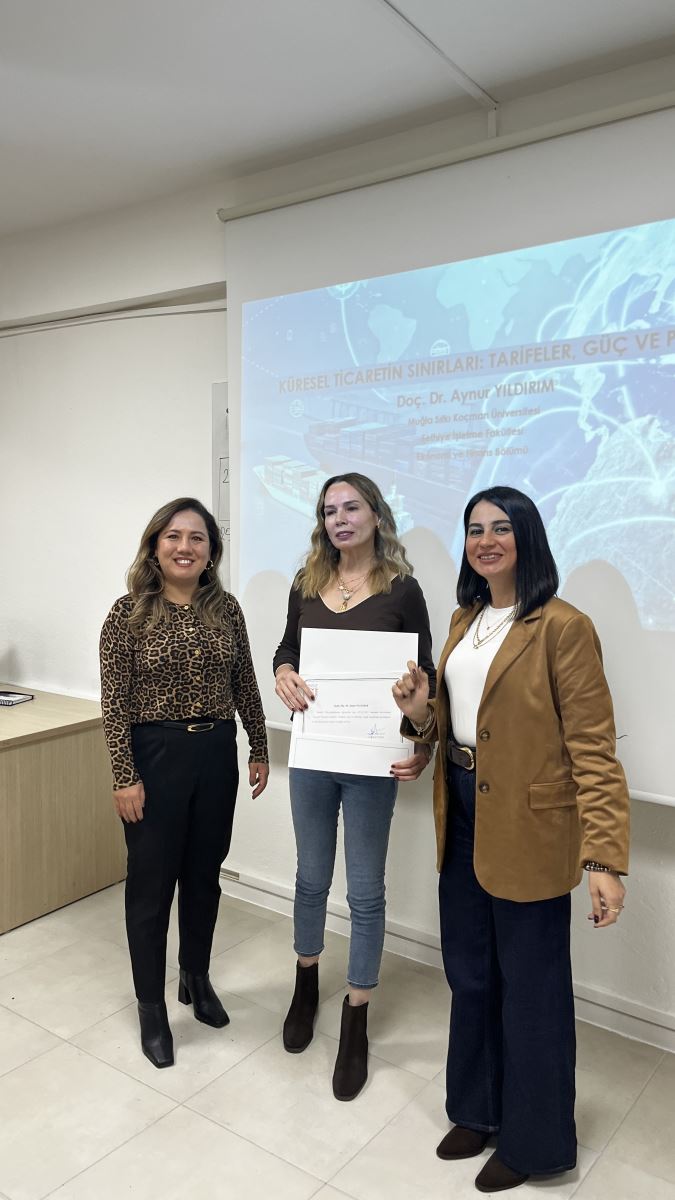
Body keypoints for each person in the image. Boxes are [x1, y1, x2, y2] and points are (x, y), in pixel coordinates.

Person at [393, 485, 629, 1193]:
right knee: (470, 974)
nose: (486, 540)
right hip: (462, 809)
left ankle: (536, 1143)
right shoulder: (464, 619)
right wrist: (419, 715)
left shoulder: (563, 626)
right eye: (475, 529)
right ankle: (478, 1110)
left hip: (532, 825)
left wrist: (603, 857)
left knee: (532, 989)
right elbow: (458, 725)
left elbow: (593, 748)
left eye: (501, 527)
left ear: (527, 537)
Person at [274, 472, 435, 1101]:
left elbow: (423, 675)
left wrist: (420, 738)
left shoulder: (403, 589)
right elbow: (287, 648)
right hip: (314, 754)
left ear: (376, 515)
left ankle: (357, 1014)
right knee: (310, 877)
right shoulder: (306, 582)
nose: (339, 519)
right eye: (329, 510)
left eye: (351, 507)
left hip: (373, 762)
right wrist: (284, 671)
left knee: (365, 891)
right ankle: (306, 982)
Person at [100, 497, 268, 1069]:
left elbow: (244, 682)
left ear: (211, 552)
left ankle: (195, 977)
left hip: (216, 753)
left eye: (197, 538)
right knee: (151, 888)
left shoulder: (228, 610)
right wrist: (125, 776)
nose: (185, 547)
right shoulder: (127, 614)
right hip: (156, 755)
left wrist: (259, 746)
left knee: (203, 877)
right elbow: (114, 704)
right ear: (155, 546)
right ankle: (151, 1007)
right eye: (173, 536)